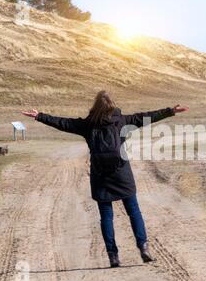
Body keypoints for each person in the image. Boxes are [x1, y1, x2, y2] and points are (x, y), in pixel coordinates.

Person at [22, 91, 189, 268]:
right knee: (134, 211)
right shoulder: (122, 121)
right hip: (122, 173)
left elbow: (63, 123)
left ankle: (113, 256)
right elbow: (147, 117)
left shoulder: (88, 124)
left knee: (106, 216)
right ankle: (144, 247)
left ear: (95, 106)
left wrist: (39, 116)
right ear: (112, 105)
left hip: (100, 174)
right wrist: (170, 111)